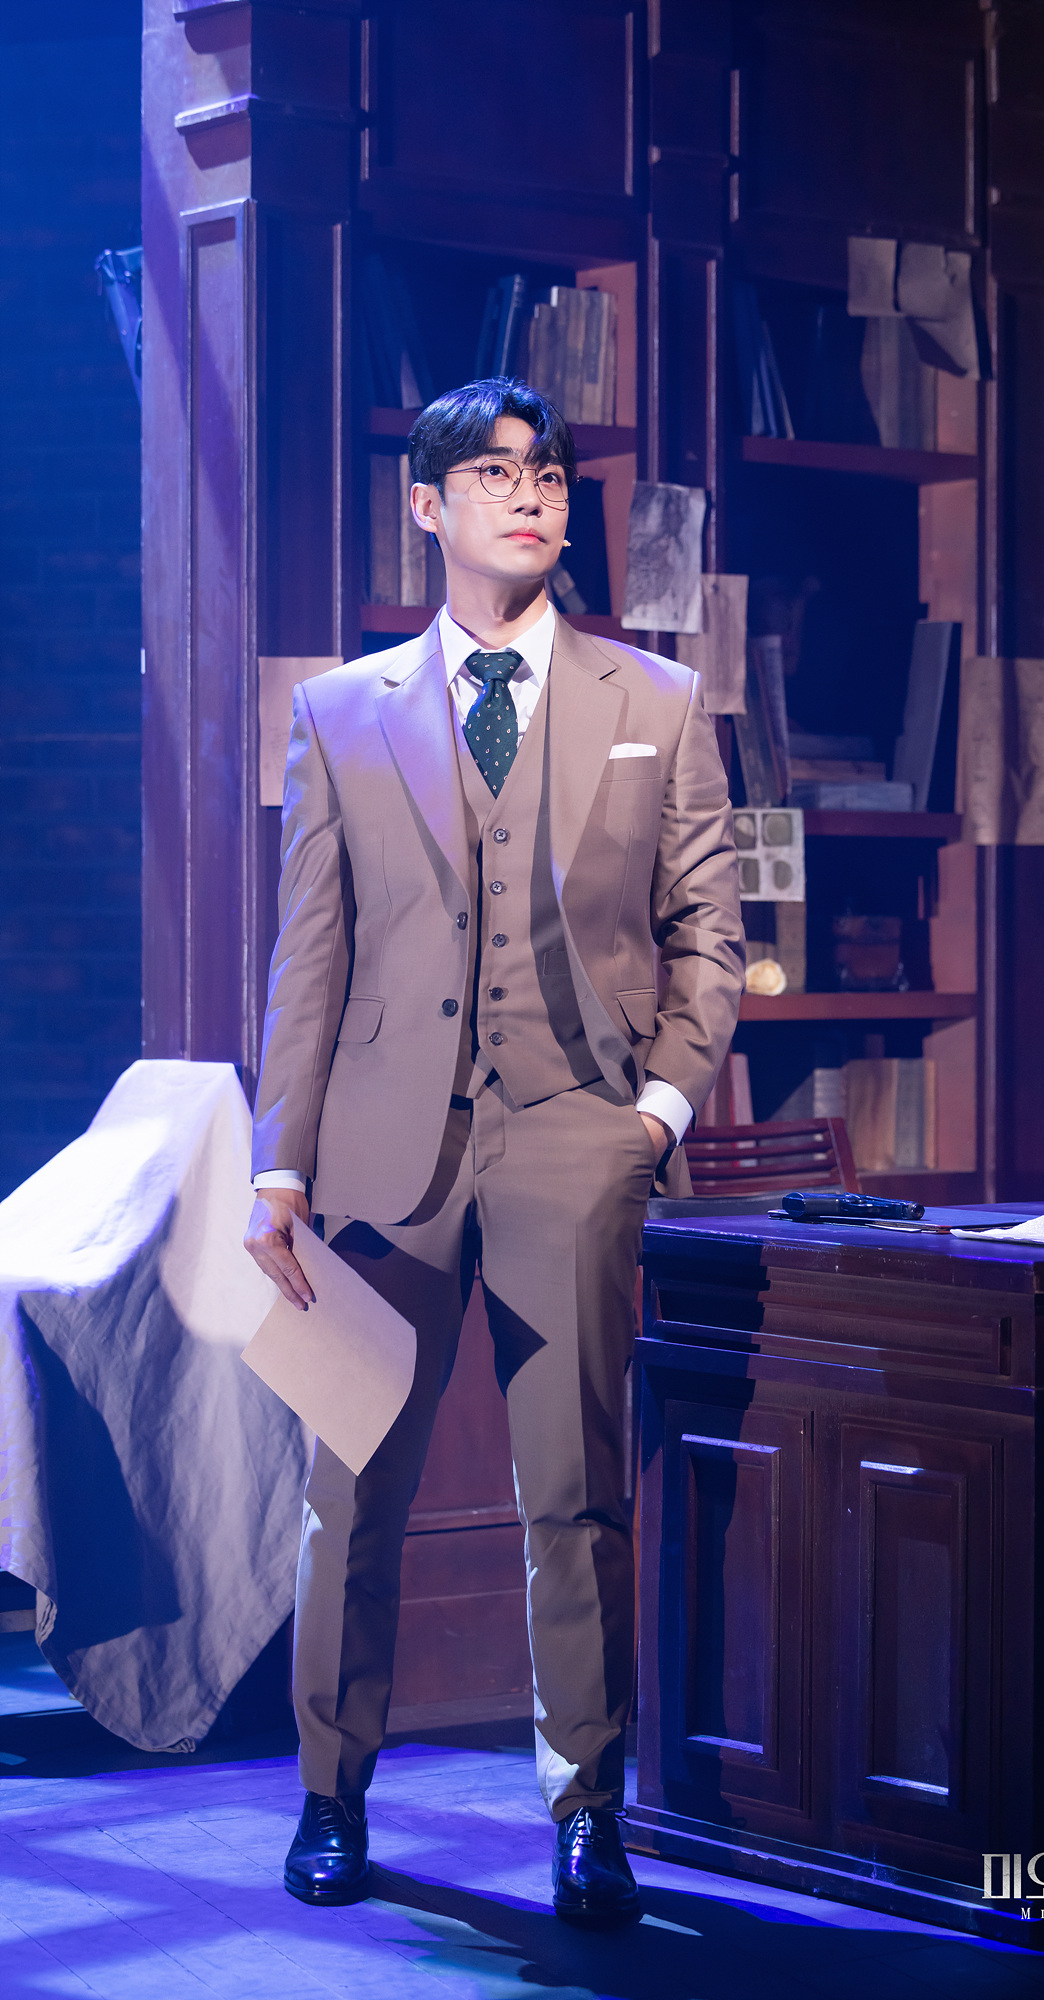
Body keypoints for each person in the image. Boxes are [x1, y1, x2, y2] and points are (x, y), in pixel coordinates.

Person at [243, 376, 744, 1927]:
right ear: (426, 505)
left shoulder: (656, 701)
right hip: (376, 1160)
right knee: (350, 1494)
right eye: (492, 473)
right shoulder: (339, 711)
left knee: (574, 1500)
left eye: (549, 474)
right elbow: (310, 956)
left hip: (577, 1142)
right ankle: (331, 1794)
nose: (529, 495)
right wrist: (277, 1168)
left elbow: (708, 933)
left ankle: (587, 1815)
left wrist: (654, 1118)